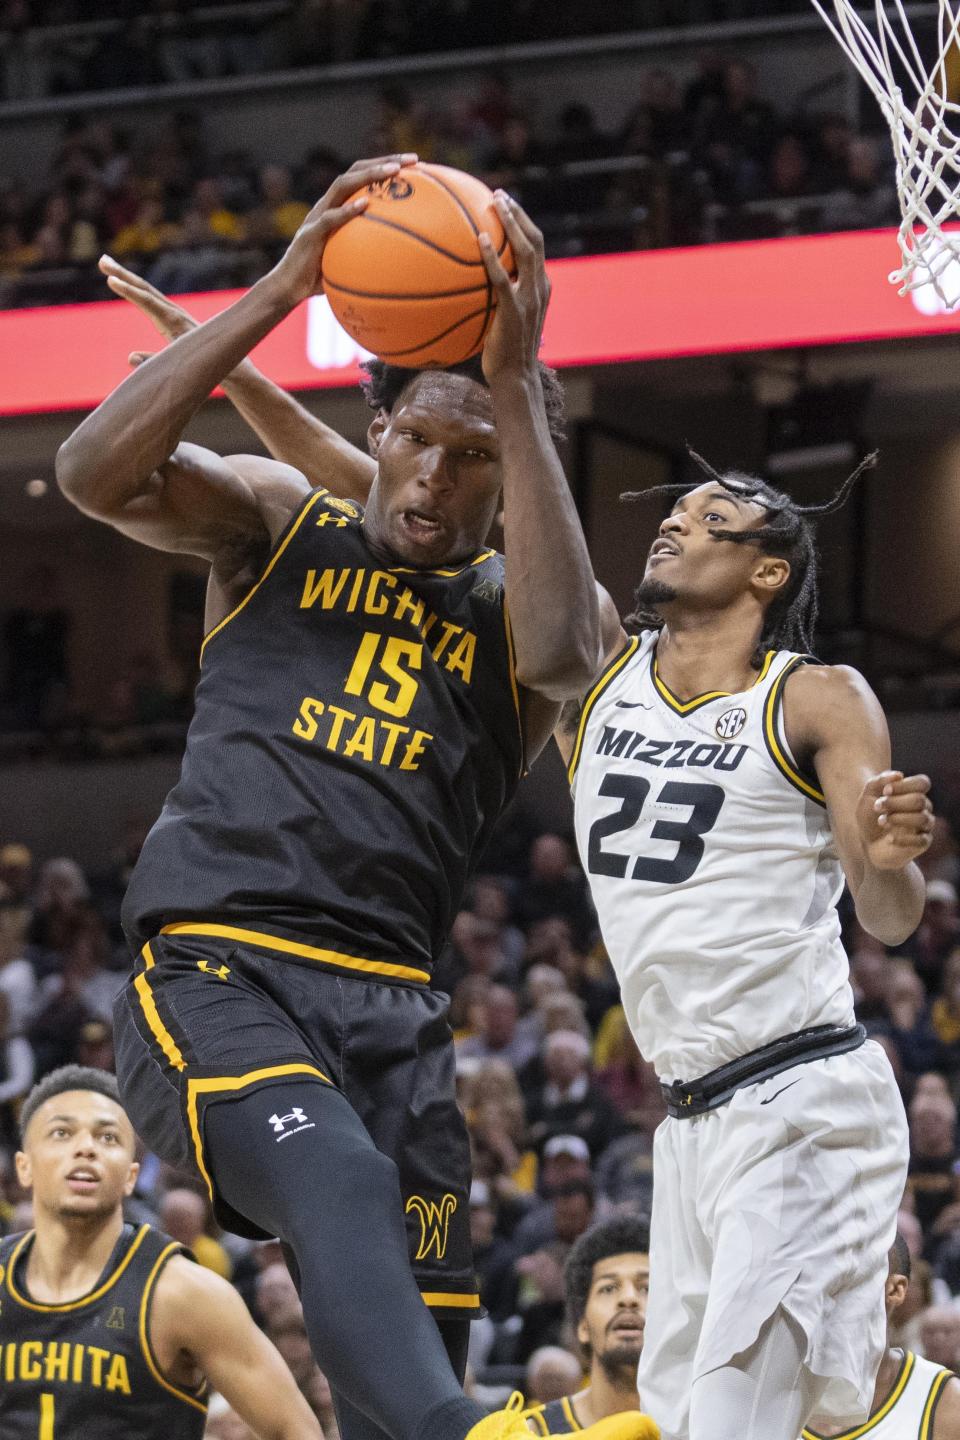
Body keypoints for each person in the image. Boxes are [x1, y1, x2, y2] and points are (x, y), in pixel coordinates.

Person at [56, 153, 654, 1440]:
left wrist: (512, 374)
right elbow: (92, 473)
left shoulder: (532, 611)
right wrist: (275, 291)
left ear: (512, 475)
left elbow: (566, 660)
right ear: (375, 432)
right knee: (337, 1176)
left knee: (410, 1347)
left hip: (395, 1012)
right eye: (415, 442)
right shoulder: (277, 524)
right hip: (218, 976)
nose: (437, 479)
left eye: (475, 456)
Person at [557, 452, 935, 1440]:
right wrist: (512, 389)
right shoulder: (604, 677)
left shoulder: (815, 698)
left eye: (710, 517)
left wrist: (891, 856)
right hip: (689, 1126)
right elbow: (489, 537)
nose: (675, 525)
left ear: (770, 571)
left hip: (799, 1097)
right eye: (673, 512)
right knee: (694, 1425)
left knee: (736, 1423)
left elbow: (890, 915)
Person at [0, 1065, 322, 1439]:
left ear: (131, 1176)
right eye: (61, 1133)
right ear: (24, 1167)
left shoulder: (186, 1293)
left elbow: (296, 1430)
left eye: (107, 1138)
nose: (85, 1148)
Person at [801, 1233, 960, 1440]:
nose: (833, 1286)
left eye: (854, 1274)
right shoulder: (767, 1388)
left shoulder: (944, 1400)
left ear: (895, 1289)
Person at [524, 1214, 650, 1435]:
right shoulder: (534, 1431)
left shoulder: (704, 1424)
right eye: (609, 1288)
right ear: (582, 1324)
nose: (629, 1299)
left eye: (646, 1288)